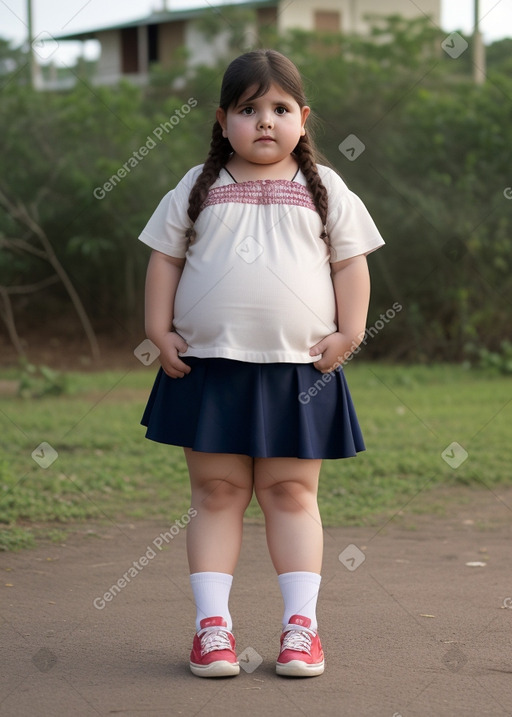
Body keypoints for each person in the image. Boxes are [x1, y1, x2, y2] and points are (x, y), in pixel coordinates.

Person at [138, 49, 384, 678]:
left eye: (279, 109)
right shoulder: (198, 186)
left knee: (292, 494)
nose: (265, 121)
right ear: (223, 121)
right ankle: (211, 630)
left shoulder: (325, 188)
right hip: (210, 369)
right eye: (249, 110)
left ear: (303, 118)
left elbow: (350, 262)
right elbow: (165, 259)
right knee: (216, 493)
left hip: (298, 372)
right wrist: (157, 330)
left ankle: (301, 629)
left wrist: (350, 330)